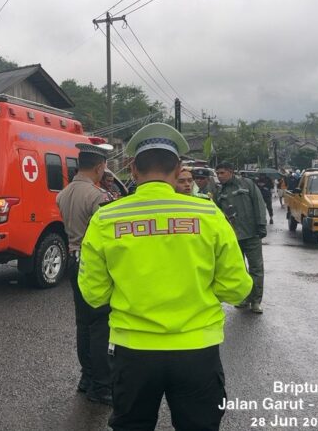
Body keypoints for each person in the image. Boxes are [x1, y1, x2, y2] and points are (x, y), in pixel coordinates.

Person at [79, 123, 252, 430]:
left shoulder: (107, 218)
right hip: (197, 350)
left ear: (133, 169)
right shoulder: (209, 215)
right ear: (178, 169)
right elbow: (237, 288)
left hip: (133, 352)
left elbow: (94, 293)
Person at [55, 142, 114, 405]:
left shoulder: (63, 193)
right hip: (92, 263)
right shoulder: (98, 196)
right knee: (100, 324)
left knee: (83, 323)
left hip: (72, 259)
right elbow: (107, 235)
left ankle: (87, 377)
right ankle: (101, 386)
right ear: (100, 167)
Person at [215, 161, 268, 314]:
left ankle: (256, 301)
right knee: (240, 270)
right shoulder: (219, 191)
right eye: (217, 174)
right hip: (233, 236)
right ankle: (244, 298)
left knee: (256, 269)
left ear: (230, 171)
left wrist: (261, 224)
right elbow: (218, 214)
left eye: (222, 173)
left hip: (251, 234)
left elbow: (259, 203)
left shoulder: (247, 184)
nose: (219, 176)